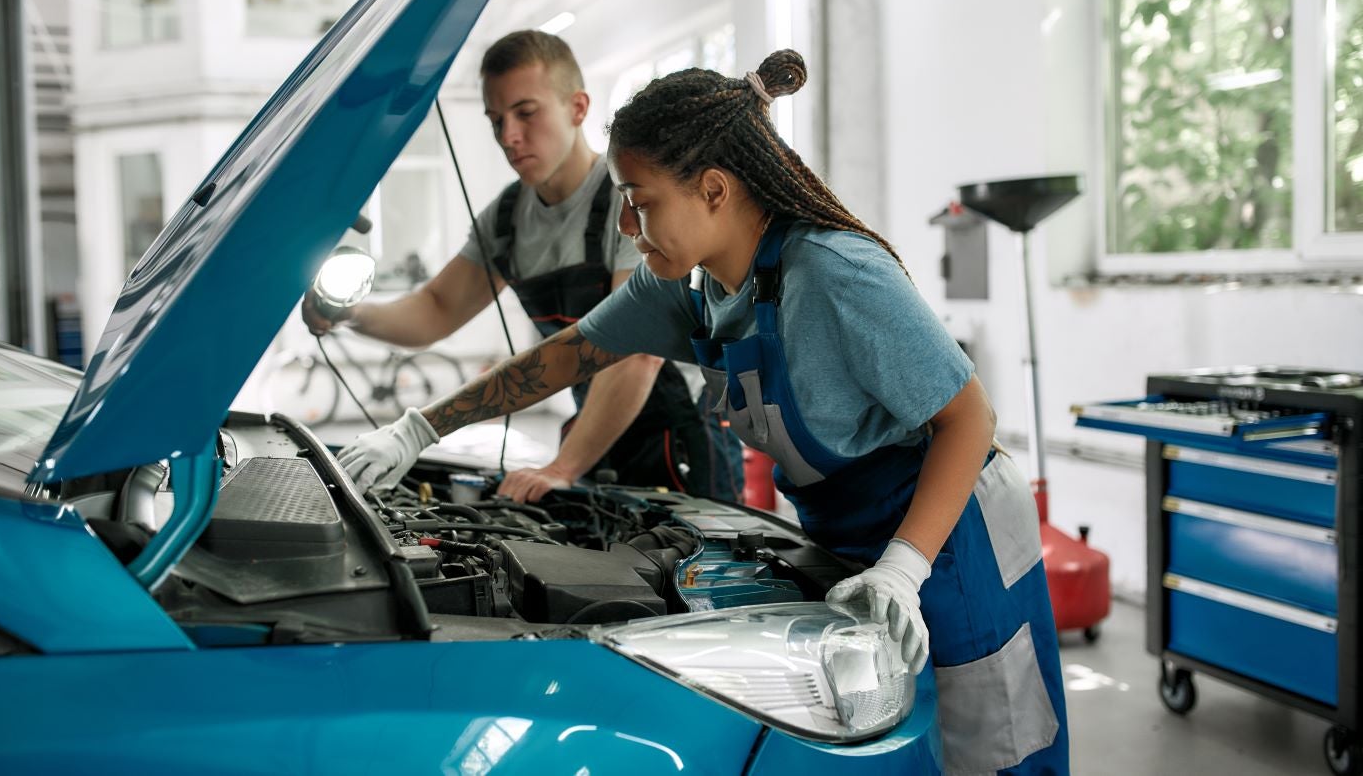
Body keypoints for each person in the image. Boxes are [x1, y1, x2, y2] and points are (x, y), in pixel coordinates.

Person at [335, 49, 1068, 774]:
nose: (627, 224)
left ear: (714, 190)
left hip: (953, 530)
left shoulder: (833, 273)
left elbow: (970, 421)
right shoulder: (685, 288)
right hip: (851, 532)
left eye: (641, 199)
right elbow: (563, 356)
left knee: (990, 747)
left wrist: (905, 568)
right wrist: (422, 427)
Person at [304, 30, 742, 503]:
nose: (509, 137)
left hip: (678, 444)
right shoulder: (506, 220)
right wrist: (349, 313)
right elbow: (435, 309)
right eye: (496, 120)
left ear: (577, 108)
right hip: (591, 442)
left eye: (526, 113)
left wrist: (562, 467)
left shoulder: (633, 201)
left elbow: (634, 353)